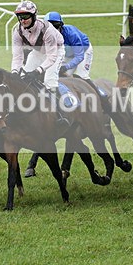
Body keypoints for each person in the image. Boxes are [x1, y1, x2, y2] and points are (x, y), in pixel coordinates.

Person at [24, 11, 98, 178]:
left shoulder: (71, 33)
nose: (54, 30)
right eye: (51, 27)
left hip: (83, 53)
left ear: (61, 26)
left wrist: (66, 67)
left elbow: (79, 56)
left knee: (80, 78)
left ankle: (101, 98)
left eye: (57, 27)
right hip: (62, 54)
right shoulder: (46, 35)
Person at [11, 0, 70, 128]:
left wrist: (38, 71)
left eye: (26, 16)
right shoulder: (17, 31)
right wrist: (14, 72)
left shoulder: (46, 29)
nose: (23, 20)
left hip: (56, 51)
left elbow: (51, 56)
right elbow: (17, 57)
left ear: (34, 16)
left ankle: (62, 115)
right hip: (37, 52)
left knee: (49, 80)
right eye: (20, 17)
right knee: (22, 80)